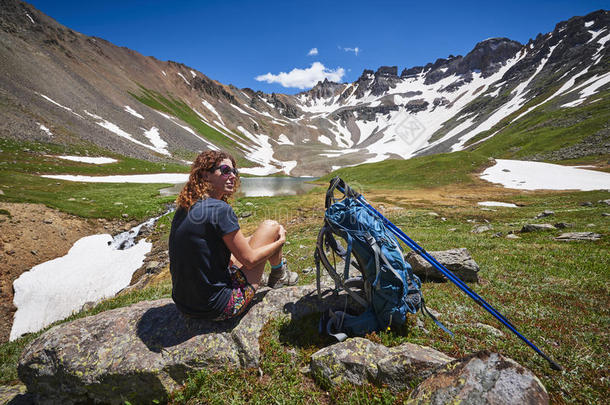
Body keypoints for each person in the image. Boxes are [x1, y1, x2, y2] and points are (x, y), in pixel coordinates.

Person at [169, 150, 298, 321]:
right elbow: (250, 260)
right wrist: (280, 241)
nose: (232, 176)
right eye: (225, 170)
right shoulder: (220, 209)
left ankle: (279, 273)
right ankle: (279, 274)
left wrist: (253, 241)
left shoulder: (186, 207)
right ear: (205, 175)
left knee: (258, 235)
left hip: (184, 306)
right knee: (273, 228)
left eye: (234, 172)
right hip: (218, 307)